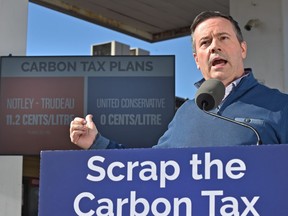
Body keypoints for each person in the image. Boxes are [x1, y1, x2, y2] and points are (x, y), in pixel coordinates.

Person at [70, 11, 288, 149]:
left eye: (223, 38)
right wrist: (97, 143)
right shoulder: (186, 113)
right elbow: (149, 170)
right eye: (205, 43)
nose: (214, 46)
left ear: (242, 49)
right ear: (196, 60)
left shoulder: (281, 107)